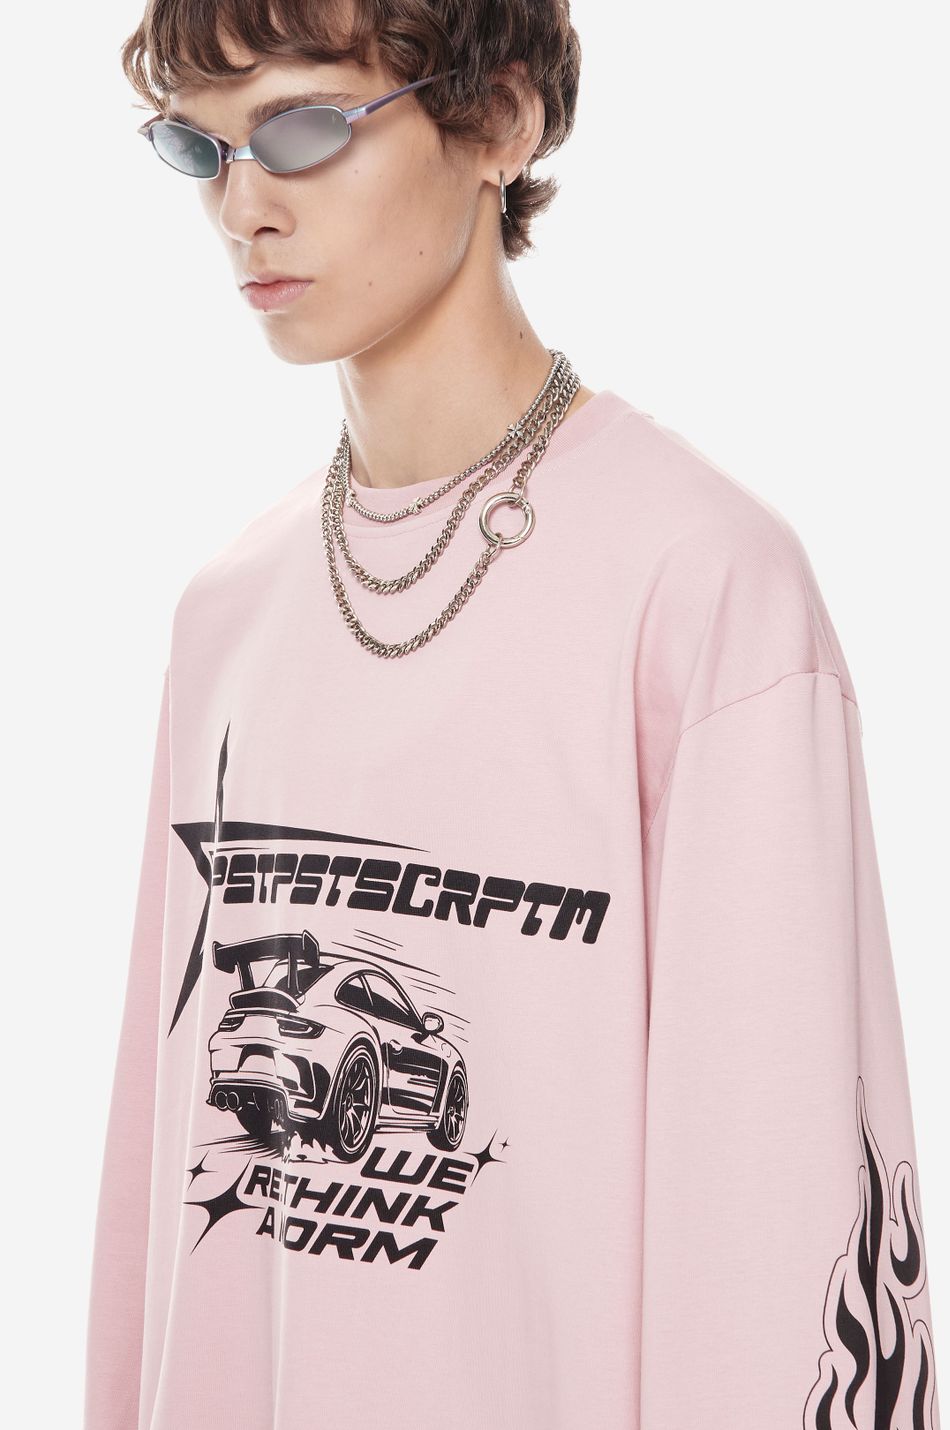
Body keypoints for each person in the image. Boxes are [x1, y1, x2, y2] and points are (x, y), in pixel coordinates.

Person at [83, 2, 941, 1428]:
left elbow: (776, 1193)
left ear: (498, 123)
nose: (243, 209)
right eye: (200, 149)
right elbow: (157, 1184)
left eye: (302, 130)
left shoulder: (700, 584)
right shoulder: (225, 615)